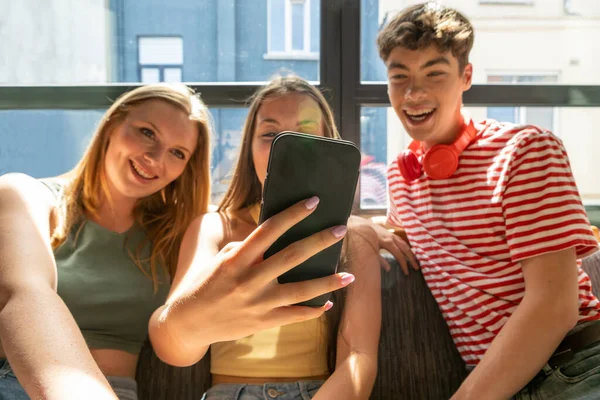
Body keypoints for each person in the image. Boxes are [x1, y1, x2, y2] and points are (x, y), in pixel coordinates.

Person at [0, 83, 351, 400]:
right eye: (146, 132)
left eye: (178, 153)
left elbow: (238, 222)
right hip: (17, 381)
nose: (154, 158)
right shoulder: (26, 194)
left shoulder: (172, 231)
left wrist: (371, 228)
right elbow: (25, 294)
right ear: (112, 123)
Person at [377, 2, 600, 399]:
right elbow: (392, 234)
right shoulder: (402, 175)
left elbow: (555, 307)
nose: (414, 93)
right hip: (506, 385)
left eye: (434, 74)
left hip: (577, 366)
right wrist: (361, 228)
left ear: (466, 77)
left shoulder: (526, 150)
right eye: (400, 77)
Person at [158, 74, 415, 400]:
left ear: (329, 145)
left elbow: (358, 359)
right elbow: (173, 343)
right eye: (270, 134)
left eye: (306, 133)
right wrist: (187, 324)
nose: (290, 147)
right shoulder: (214, 229)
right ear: (248, 148)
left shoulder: (353, 236)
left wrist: (362, 227)